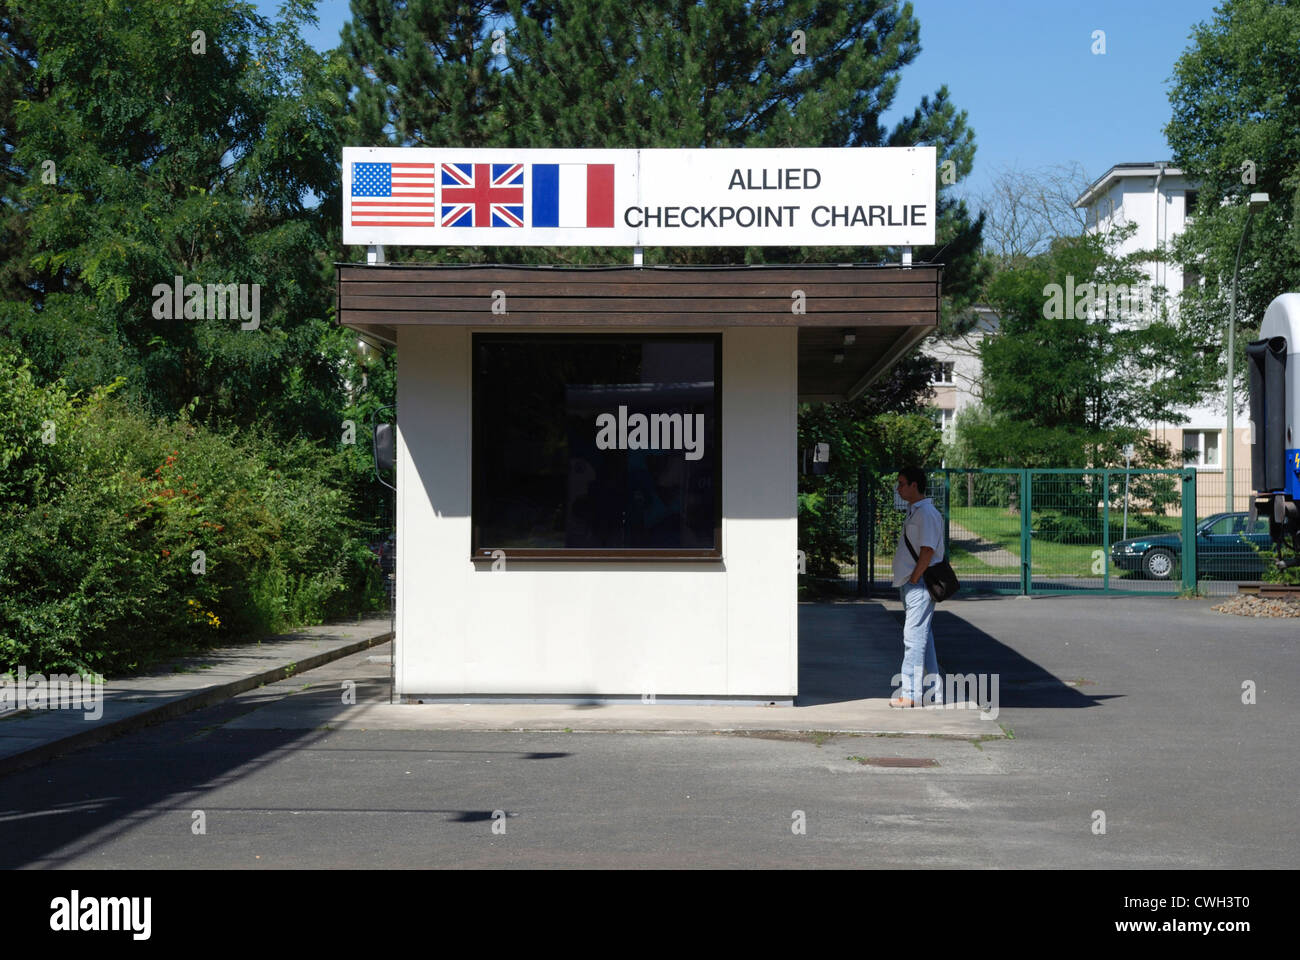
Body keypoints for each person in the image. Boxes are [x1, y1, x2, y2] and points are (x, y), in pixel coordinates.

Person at [889, 467, 944, 708]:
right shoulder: (915, 512)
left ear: (914, 485)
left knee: (913, 639)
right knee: (924, 638)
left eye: (902, 484)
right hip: (912, 584)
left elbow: (928, 549)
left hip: (919, 586)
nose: (898, 488)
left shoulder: (926, 513)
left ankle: (910, 694)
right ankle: (934, 693)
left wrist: (914, 578)